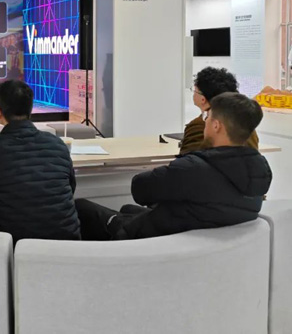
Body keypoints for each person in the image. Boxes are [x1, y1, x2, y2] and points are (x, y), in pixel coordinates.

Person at [76, 92, 272, 241]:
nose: (204, 122)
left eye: (208, 117)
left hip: (153, 240)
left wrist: (173, 171)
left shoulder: (192, 170)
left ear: (216, 126)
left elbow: (140, 189)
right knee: (127, 208)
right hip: (196, 241)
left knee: (81, 207)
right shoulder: (259, 172)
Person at [0, 80, 80, 243]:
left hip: (13, 246)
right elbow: (70, 187)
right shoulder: (58, 144)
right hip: (64, 243)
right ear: (30, 109)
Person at [181, 67, 258, 154]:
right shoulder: (245, 123)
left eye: (195, 90)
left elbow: (189, 159)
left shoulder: (198, 125)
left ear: (203, 99)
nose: (193, 93)